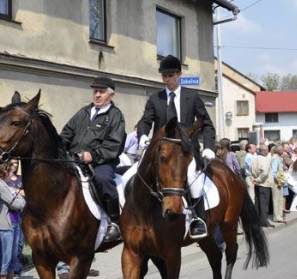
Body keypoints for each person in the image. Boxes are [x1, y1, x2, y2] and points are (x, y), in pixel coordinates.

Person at [137, 55, 216, 239]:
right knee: (136, 174)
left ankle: (198, 219)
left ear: (179, 74)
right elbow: (145, 120)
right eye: (164, 76)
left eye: (171, 75)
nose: (167, 79)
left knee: (191, 177)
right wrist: (142, 135)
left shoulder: (192, 96)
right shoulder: (155, 99)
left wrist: (210, 146)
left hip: (185, 152)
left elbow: (206, 124)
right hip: (162, 152)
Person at [60, 75, 126, 242]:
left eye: (101, 92)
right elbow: (67, 133)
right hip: (74, 159)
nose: (97, 95)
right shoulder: (83, 112)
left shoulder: (115, 116)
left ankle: (115, 222)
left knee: (103, 179)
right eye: (95, 91)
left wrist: (93, 155)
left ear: (111, 95)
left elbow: (114, 144)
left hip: (102, 161)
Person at [0, 161, 27, 279]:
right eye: (11, 171)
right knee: (5, 258)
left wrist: (18, 199)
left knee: (12, 257)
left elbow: (19, 200)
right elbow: (17, 202)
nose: (13, 174)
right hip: (5, 225)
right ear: (4, 172)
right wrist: (18, 200)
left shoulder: (6, 184)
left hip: (14, 222)